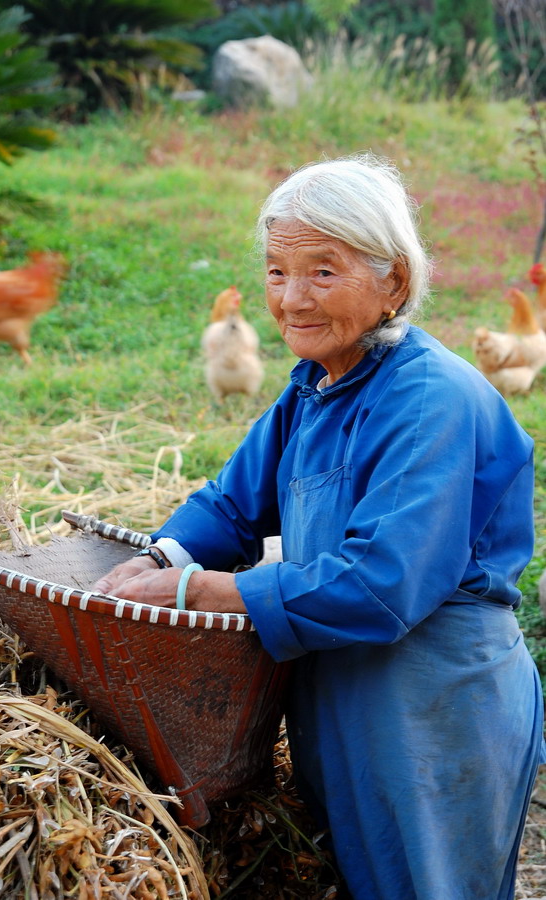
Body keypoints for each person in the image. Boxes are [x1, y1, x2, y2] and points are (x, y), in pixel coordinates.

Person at [93, 154, 545, 900]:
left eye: (323, 272)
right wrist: (153, 559)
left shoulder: (431, 398)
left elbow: (380, 586)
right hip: (340, 691)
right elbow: (232, 502)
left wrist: (194, 590)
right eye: (276, 272)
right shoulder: (316, 386)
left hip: (432, 705)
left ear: (394, 281)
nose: (291, 298)